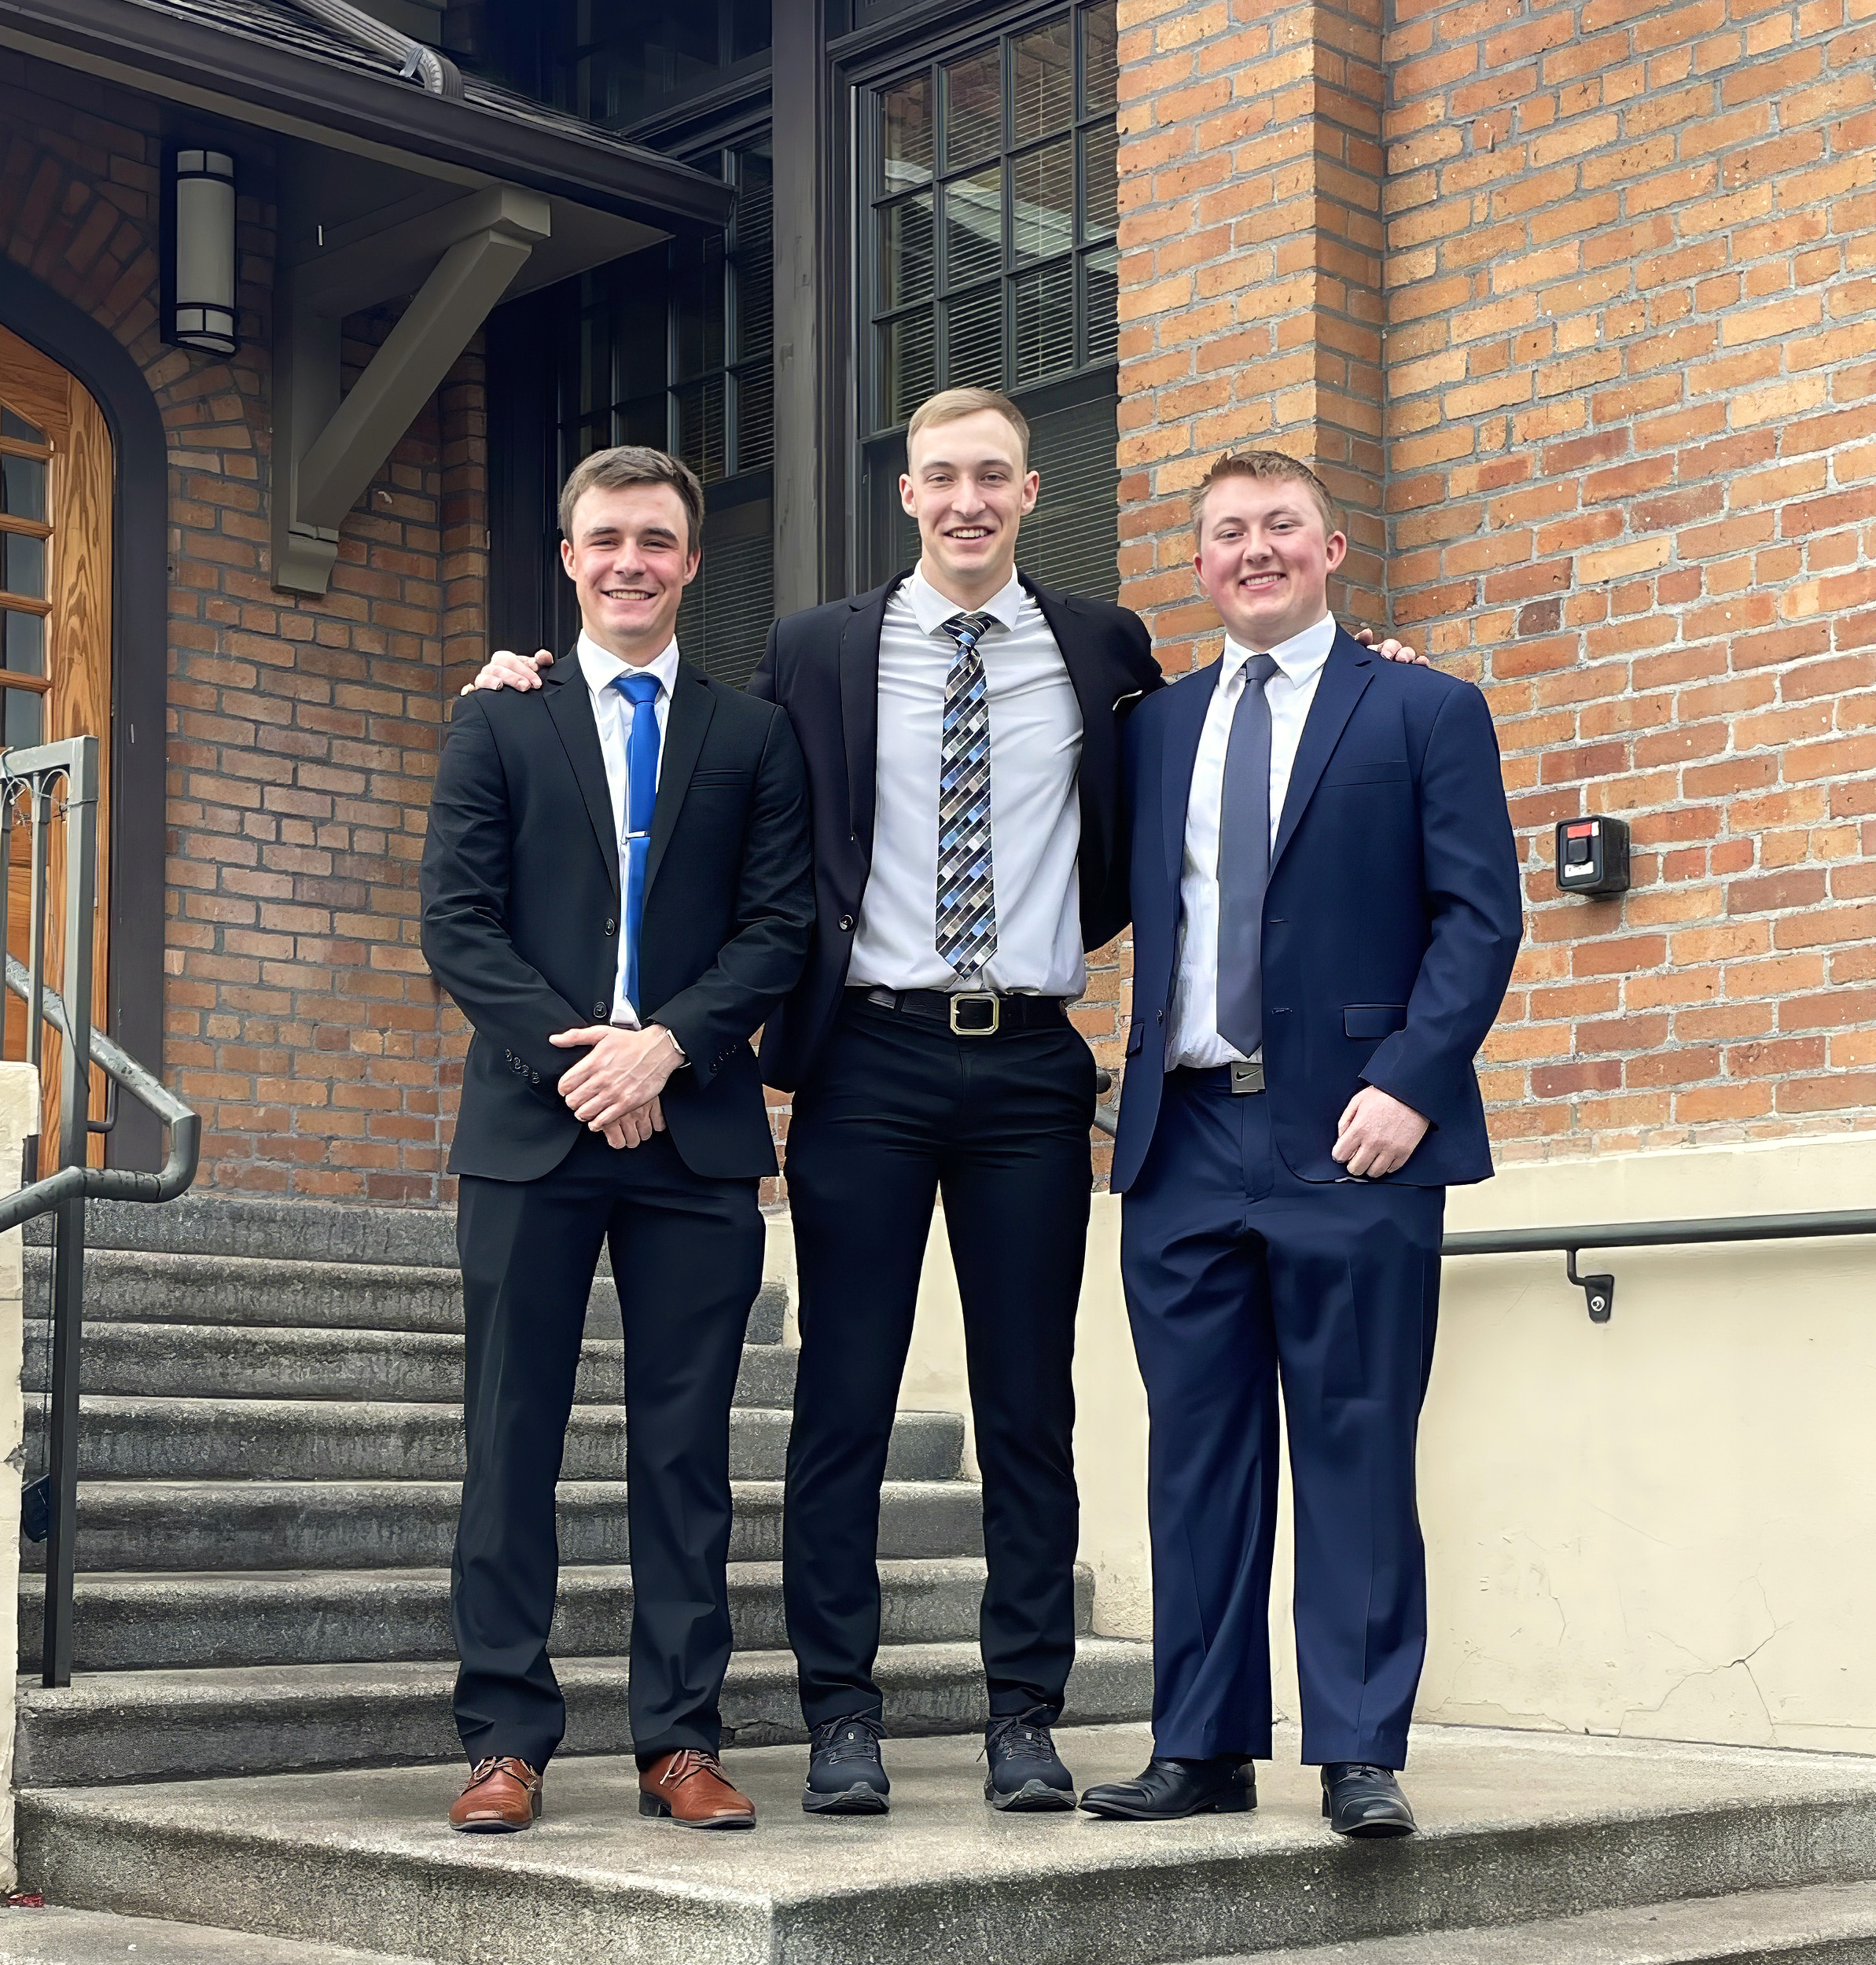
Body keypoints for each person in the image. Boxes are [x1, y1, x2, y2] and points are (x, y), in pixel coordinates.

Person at [463, 391, 1422, 1818]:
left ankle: (1022, 1712)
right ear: (902, 495)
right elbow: (737, 817)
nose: (966, 498)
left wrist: (1375, 665)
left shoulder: (1101, 649)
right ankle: (841, 1712)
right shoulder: (818, 650)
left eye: (992, 475)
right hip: (867, 1059)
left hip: (1034, 1063)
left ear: (1031, 492)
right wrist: (524, 677)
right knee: (843, 1399)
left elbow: (1242, 723)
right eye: (939, 477)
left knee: (1028, 1403)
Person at [1079, 448, 1521, 1837]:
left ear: (1333, 548)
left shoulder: (1427, 707)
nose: (1254, 549)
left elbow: (1480, 916)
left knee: (1356, 1437)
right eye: (1227, 533)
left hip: (1355, 1135)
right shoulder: (1155, 730)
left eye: (1281, 526)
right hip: (1186, 1138)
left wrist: (1410, 1082)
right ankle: (1200, 1743)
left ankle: (1358, 1746)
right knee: (1195, 1450)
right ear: (1198, 563)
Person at [421, 443, 812, 1836]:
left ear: (693, 560)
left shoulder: (753, 736)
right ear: (569, 559)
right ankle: (504, 1736)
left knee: (685, 1448)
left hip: (694, 1130)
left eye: (657, 538)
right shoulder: (498, 723)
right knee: (510, 1436)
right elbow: (457, 923)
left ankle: (679, 1738)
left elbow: (781, 926)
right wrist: (583, 1059)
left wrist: (670, 1047)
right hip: (536, 1125)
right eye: (606, 540)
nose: (631, 560)